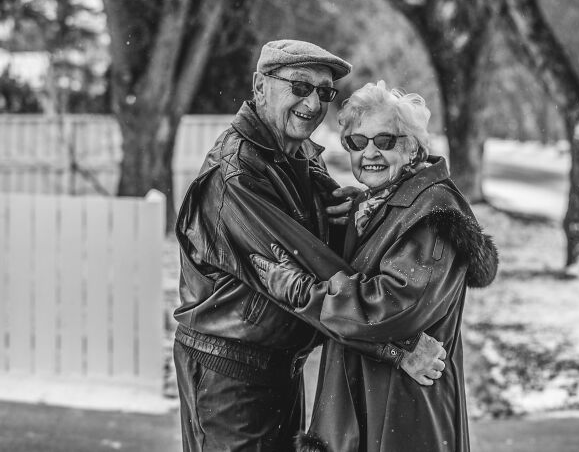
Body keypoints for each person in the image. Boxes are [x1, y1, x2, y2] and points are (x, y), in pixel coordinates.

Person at [173, 41, 446, 452]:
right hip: (231, 375)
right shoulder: (238, 175)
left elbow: (335, 249)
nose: (313, 102)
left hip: (276, 364)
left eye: (324, 92)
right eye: (300, 86)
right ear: (260, 86)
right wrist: (398, 345)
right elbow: (311, 268)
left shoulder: (297, 154)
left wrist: (353, 212)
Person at [251, 81, 499, 452]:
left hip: (401, 412)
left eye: (385, 141)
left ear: (413, 147)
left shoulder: (431, 215)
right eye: (356, 142)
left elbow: (384, 309)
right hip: (367, 401)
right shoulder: (381, 205)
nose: (370, 152)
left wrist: (297, 289)